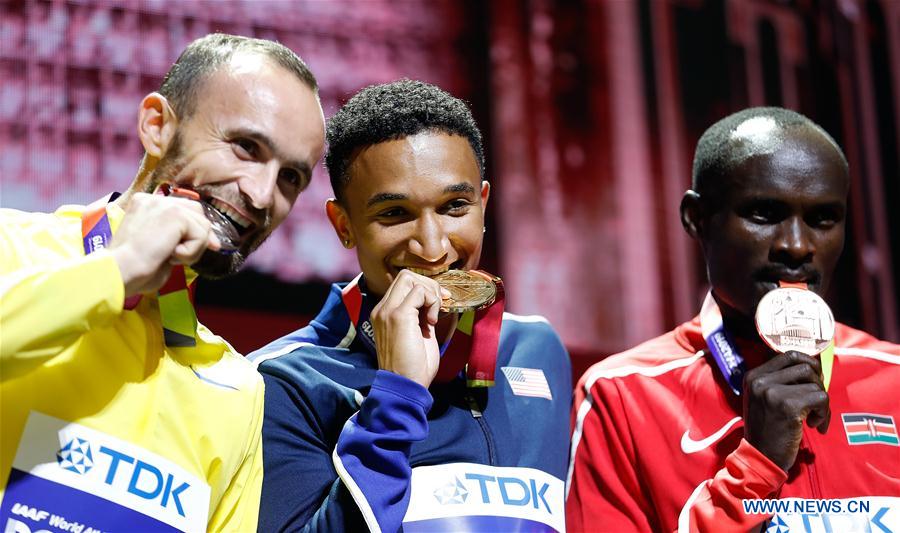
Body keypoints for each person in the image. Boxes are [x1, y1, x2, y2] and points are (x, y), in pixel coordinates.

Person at [0, 34, 325, 531]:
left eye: (290, 179)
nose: (262, 196)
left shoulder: (238, 391)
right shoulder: (11, 247)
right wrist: (121, 269)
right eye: (245, 147)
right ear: (157, 126)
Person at [250, 79, 572, 532]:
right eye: (394, 214)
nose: (432, 247)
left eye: (454, 206)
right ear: (343, 225)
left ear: (483, 203)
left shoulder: (537, 350)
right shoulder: (285, 381)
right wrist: (395, 400)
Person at [567, 107, 899, 532]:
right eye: (764, 214)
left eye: (822, 219)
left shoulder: (895, 379)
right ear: (697, 219)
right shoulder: (623, 397)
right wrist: (754, 470)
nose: (797, 246)